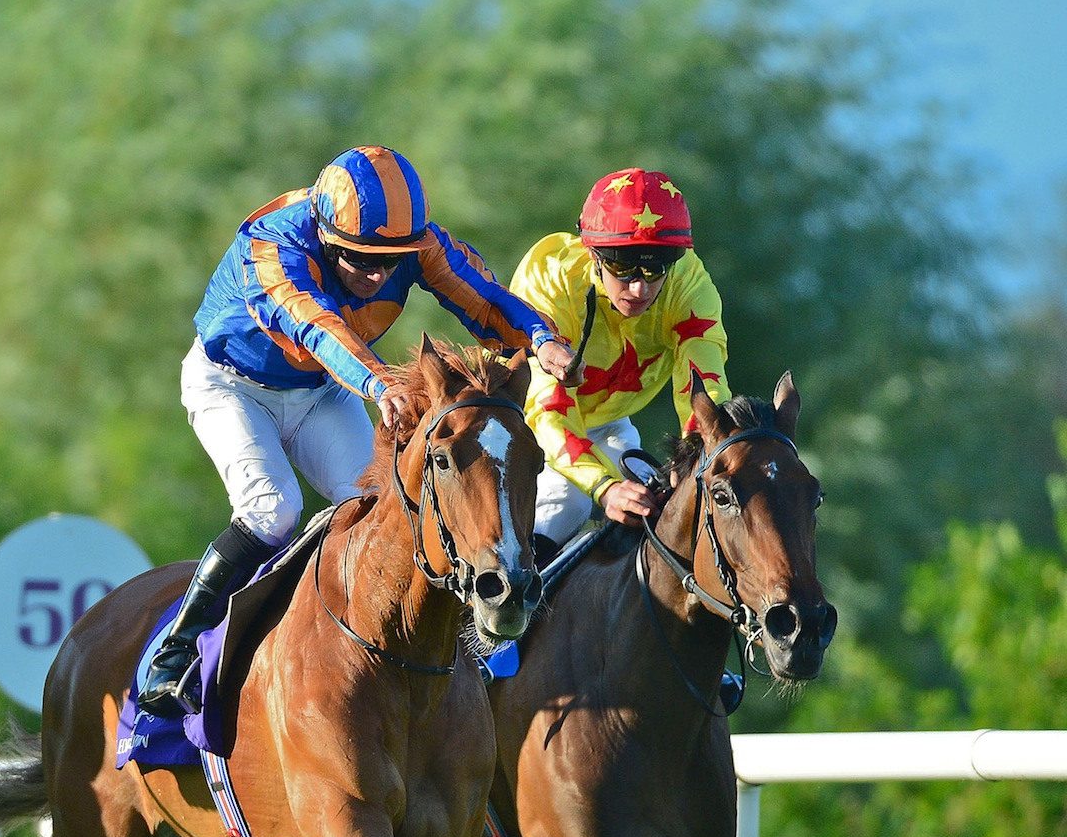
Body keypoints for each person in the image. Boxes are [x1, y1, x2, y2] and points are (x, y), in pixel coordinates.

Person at [137, 145, 574, 716]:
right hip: (232, 386)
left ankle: (412, 649)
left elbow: (486, 301)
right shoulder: (271, 247)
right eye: (359, 258)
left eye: (391, 262)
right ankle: (175, 654)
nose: (377, 273)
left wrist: (539, 338)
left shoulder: (416, 245)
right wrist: (377, 385)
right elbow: (318, 327)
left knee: (378, 509)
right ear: (323, 233)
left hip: (318, 391)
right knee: (274, 512)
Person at [508, 168, 730, 563]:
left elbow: (705, 390)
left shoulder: (689, 285)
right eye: (622, 267)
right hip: (522, 421)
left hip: (609, 422)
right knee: (569, 501)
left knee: (658, 504)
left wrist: (696, 454)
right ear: (592, 253)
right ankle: (496, 616)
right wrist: (605, 489)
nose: (640, 288)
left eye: (654, 267)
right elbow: (548, 411)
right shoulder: (552, 276)